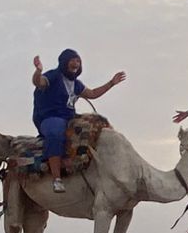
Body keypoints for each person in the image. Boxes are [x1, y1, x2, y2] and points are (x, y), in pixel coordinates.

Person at [31, 49, 125, 192]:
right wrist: (38, 71)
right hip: (50, 117)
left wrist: (111, 83)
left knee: (95, 127)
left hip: (69, 118)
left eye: (78, 61)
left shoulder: (76, 84)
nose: (76, 63)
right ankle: (57, 178)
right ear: (65, 62)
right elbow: (39, 82)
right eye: (73, 60)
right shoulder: (54, 76)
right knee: (56, 132)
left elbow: (92, 93)